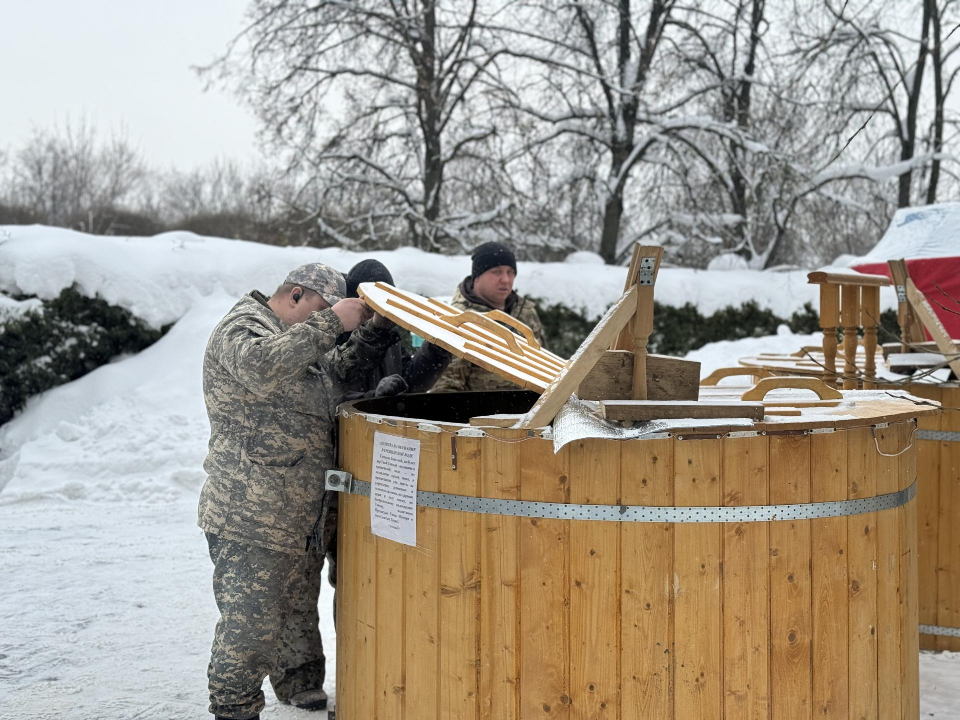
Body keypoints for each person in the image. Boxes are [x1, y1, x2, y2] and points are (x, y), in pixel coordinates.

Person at [198, 262, 399, 720]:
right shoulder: (242, 327)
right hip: (249, 517)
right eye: (321, 309)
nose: (327, 323)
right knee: (248, 634)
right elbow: (262, 367)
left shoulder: (294, 338)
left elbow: (337, 372)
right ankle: (233, 712)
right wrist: (332, 322)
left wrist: (373, 331)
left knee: (276, 622)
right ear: (294, 295)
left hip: (291, 516)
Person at [319, 259, 452, 608]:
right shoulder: (331, 334)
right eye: (369, 302)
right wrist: (372, 399)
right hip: (343, 472)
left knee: (385, 569)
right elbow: (328, 398)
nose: (377, 311)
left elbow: (410, 381)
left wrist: (437, 350)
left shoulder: (389, 331)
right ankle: (350, 640)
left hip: (384, 468)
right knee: (349, 573)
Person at [432, 241, 546, 392]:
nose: (506, 279)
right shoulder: (460, 320)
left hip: (534, 405)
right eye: (497, 272)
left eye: (510, 272)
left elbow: (544, 369)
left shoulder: (526, 313)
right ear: (477, 277)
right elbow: (445, 390)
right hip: (479, 406)